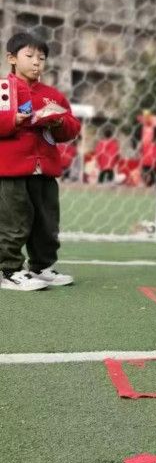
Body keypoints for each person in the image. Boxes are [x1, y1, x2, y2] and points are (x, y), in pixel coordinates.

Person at [0, 32, 80, 290]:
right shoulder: (3, 89)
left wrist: (57, 120)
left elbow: (71, 128)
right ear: (12, 58)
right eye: (30, 56)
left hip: (44, 171)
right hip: (11, 171)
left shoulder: (52, 95)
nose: (37, 62)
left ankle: (41, 267)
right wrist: (14, 120)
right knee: (14, 222)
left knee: (46, 222)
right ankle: (8, 270)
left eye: (42, 58)